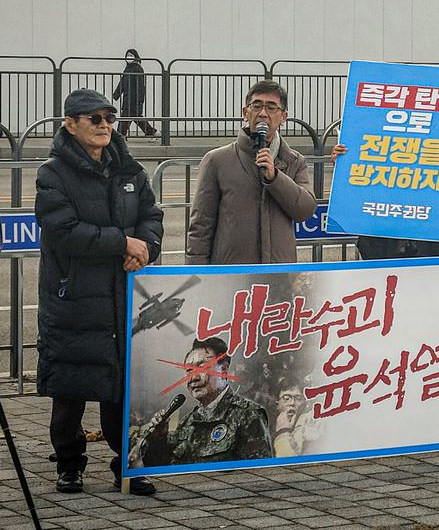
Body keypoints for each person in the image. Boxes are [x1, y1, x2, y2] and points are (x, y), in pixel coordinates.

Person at [35, 88, 163, 495]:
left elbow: (151, 217)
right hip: (72, 299)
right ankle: (69, 464)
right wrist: (121, 243)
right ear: (71, 125)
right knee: (69, 388)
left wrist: (144, 248)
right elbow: (63, 230)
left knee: (120, 388)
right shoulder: (53, 173)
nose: (104, 125)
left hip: (121, 297)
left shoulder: (130, 170)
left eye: (108, 118)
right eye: (94, 119)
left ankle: (126, 462)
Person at [186, 80, 317, 264]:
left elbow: (305, 210)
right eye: (257, 106)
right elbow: (201, 226)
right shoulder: (217, 160)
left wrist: (275, 179)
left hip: (279, 273)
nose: (263, 113)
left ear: (283, 117)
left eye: (271, 108)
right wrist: (198, 276)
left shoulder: (294, 161)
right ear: (245, 113)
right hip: (232, 274)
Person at [138, 337, 273, 466]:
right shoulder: (187, 421)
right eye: (189, 370)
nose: (193, 377)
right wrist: (158, 439)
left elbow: (259, 474)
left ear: (224, 370)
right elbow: (163, 471)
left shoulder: (248, 414)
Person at [330, 143, 439, 259]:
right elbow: (353, 197)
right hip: (380, 248)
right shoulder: (372, 150)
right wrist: (345, 164)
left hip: (431, 252)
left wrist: (436, 202)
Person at [112, 49, 157, 138]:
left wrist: (139, 100)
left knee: (126, 116)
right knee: (135, 116)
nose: (129, 57)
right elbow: (123, 82)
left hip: (133, 97)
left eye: (131, 55)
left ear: (136, 57)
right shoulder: (128, 68)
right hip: (128, 97)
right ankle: (149, 131)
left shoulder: (137, 68)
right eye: (127, 55)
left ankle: (119, 135)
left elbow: (140, 85)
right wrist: (116, 94)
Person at [271, 377, 320, 457]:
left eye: (298, 399)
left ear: (304, 403)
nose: (292, 403)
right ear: (277, 403)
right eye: (286, 398)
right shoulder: (268, 425)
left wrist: (283, 432)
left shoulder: (308, 426)